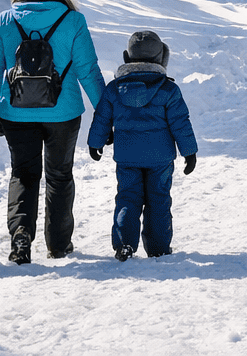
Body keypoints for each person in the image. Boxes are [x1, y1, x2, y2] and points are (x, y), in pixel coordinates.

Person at [0, 0, 107, 265]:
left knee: (23, 174)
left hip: (16, 111)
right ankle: (59, 244)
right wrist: (106, 112)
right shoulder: (73, 20)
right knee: (59, 176)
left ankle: (21, 234)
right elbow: (88, 70)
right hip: (63, 113)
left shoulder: (7, 20)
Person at [85, 31, 199, 261]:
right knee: (158, 199)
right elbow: (180, 122)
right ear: (161, 58)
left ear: (127, 57)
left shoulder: (115, 88)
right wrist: (189, 151)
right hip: (160, 158)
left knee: (127, 198)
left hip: (127, 157)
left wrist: (95, 142)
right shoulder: (168, 90)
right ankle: (158, 247)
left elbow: (102, 118)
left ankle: (124, 244)